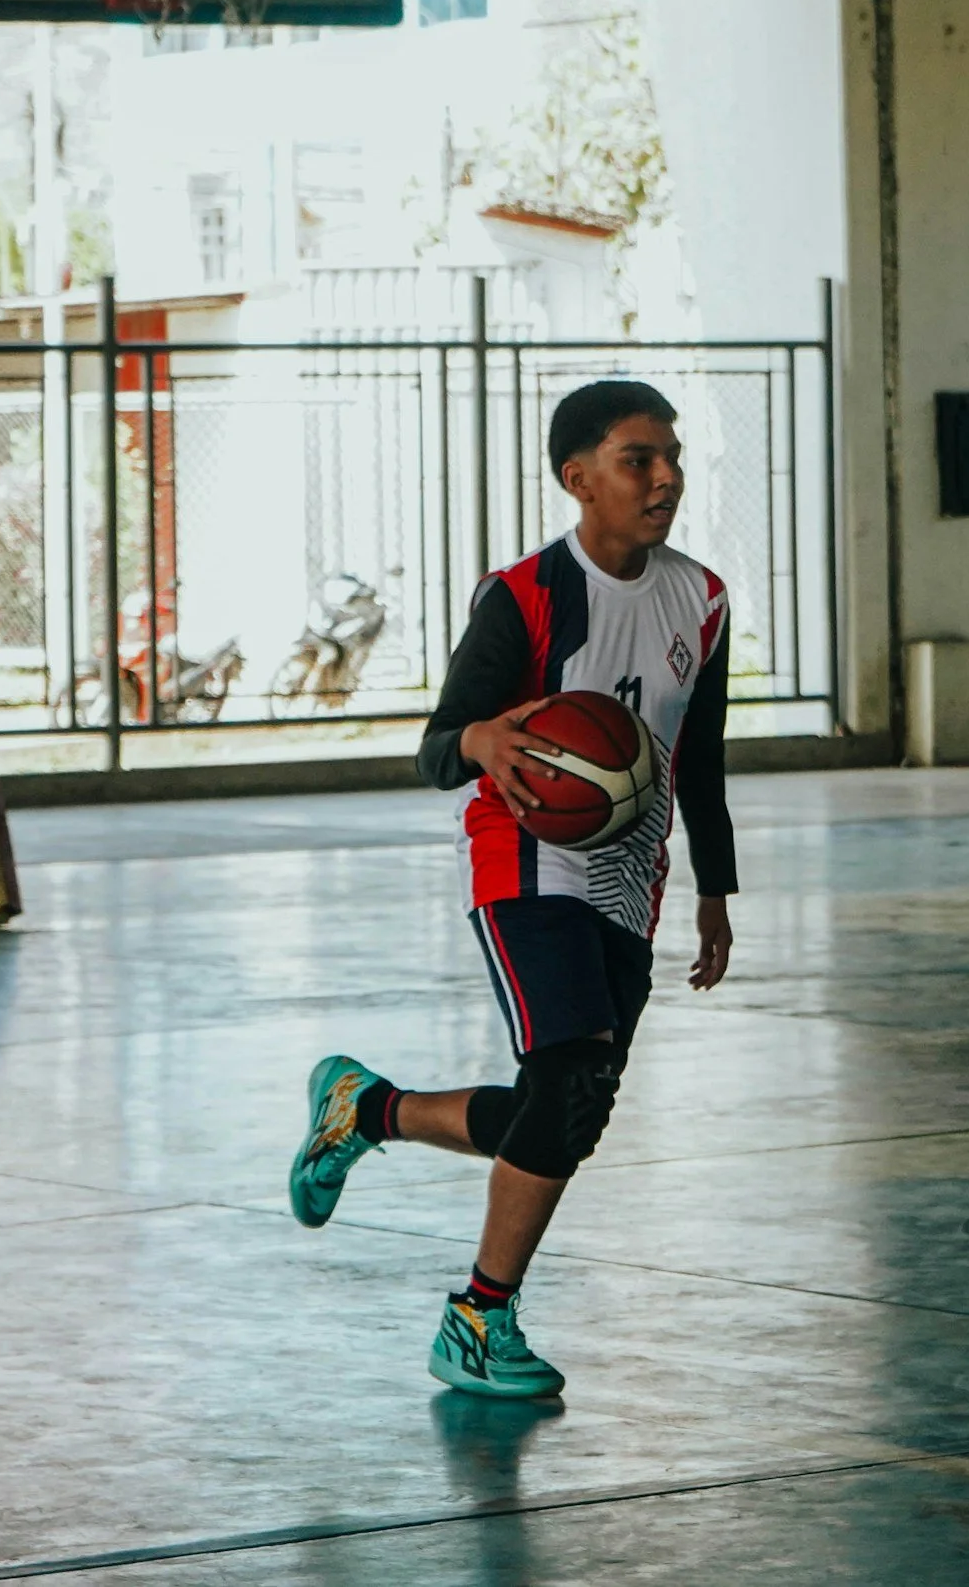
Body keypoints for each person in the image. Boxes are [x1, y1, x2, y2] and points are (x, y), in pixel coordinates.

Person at [286, 379, 735, 1398]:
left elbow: (697, 757)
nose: (663, 477)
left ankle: (368, 1110)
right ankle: (478, 1319)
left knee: (565, 1109)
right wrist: (481, 739)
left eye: (671, 458)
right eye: (637, 460)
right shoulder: (525, 595)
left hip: (631, 875)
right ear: (577, 478)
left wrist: (716, 888)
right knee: (569, 1071)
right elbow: (437, 749)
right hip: (524, 861)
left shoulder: (699, 599)